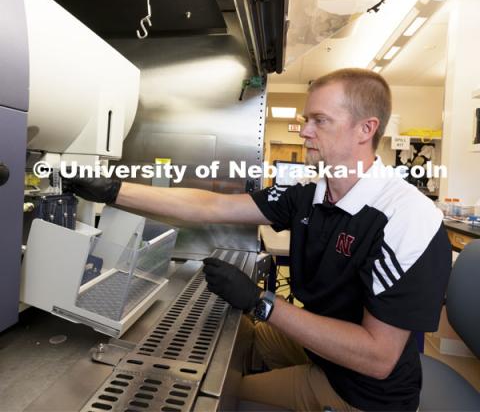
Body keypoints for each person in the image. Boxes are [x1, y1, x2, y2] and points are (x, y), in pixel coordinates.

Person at [62, 68, 451, 411]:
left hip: (361, 391)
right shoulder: (310, 192)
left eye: (320, 120)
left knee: (220, 394)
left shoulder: (406, 220)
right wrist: (113, 190)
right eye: (305, 119)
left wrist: (261, 303)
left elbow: (377, 357)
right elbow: (211, 208)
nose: (304, 131)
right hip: (319, 350)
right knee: (230, 340)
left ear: (366, 129)